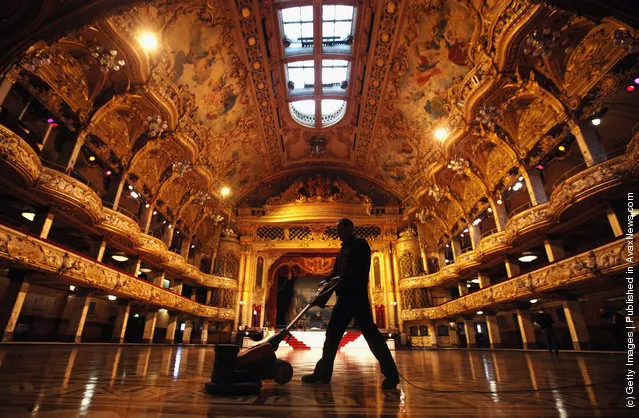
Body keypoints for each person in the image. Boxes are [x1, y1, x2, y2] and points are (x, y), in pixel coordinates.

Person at [302, 218, 400, 390]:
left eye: (340, 229)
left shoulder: (361, 246)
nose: (338, 232)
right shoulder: (342, 251)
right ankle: (323, 374)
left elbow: (356, 272)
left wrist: (339, 281)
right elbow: (335, 273)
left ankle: (392, 376)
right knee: (331, 336)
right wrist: (323, 283)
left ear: (350, 228)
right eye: (337, 229)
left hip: (357, 298)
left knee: (372, 336)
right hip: (344, 298)